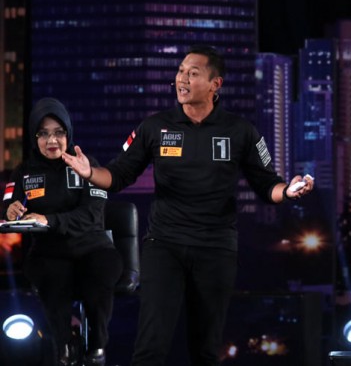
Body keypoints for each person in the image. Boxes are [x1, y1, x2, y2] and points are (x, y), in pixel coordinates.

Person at [62, 46, 315, 366]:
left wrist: (289, 191)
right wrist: (89, 173)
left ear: (215, 84)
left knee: (206, 349)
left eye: (193, 73)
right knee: (150, 346)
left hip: (216, 247)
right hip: (164, 244)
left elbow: (267, 185)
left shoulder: (240, 131)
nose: (182, 78)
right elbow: (118, 175)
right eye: (181, 71)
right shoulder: (154, 126)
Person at [3, 97, 123, 366]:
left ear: (68, 134)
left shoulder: (86, 163)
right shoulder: (23, 172)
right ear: (35, 137)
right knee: (53, 278)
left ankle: (98, 346)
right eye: (43, 134)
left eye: (58, 133)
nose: (51, 140)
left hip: (93, 248)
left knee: (99, 275)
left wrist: (49, 219)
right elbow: (7, 206)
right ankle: (63, 347)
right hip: (48, 253)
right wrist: (10, 210)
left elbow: (92, 215)